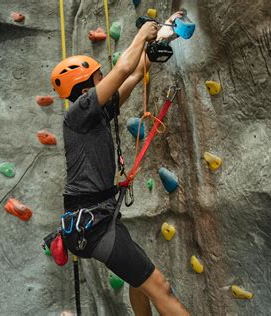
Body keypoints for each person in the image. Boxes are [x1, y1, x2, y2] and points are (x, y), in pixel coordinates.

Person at [50, 11, 189, 316]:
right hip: (95, 226)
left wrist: (161, 36)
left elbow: (135, 72)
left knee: (138, 283)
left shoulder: (96, 115)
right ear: (85, 92)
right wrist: (144, 32)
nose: (107, 80)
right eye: (101, 78)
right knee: (160, 287)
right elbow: (124, 66)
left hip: (102, 219)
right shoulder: (77, 114)